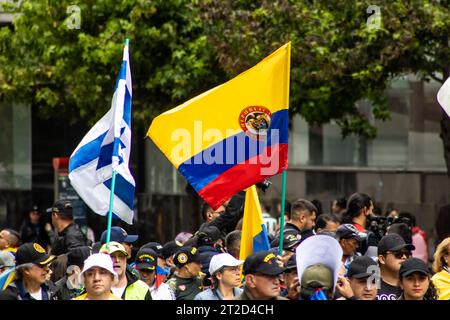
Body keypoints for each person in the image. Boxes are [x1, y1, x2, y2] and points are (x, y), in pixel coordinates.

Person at [377, 233, 415, 300]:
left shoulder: (415, 285)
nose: (404, 257)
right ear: (382, 259)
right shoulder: (369, 286)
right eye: (398, 254)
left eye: (407, 253)